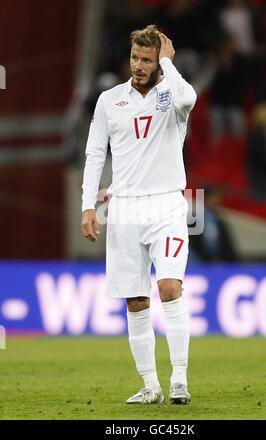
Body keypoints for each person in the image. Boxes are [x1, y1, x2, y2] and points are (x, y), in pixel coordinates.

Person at [81, 25, 197, 404]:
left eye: (147, 60)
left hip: (166, 205)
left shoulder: (172, 96)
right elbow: (96, 154)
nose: (138, 66)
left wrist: (169, 63)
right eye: (135, 58)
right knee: (136, 300)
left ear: (159, 61)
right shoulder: (109, 101)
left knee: (169, 288)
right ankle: (151, 385)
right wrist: (88, 205)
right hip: (124, 208)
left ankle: (179, 378)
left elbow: (189, 97)